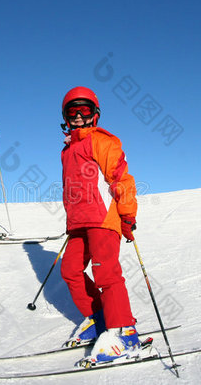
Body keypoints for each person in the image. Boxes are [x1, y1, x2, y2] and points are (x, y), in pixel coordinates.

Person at [59, 86, 141, 364]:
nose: (79, 116)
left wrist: (127, 216)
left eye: (84, 110)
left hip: (103, 218)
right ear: (65, 117)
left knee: (106, 275)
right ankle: (99, 319)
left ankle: (125, 334)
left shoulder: (103, 141)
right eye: (73, 111)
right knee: (70, 270)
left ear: (95, 114)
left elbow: (121, 180)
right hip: (79, 222)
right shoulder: (67, 150)